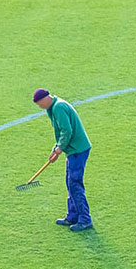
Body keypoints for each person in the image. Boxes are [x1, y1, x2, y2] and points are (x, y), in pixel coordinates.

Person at [32, 88, 93, 232]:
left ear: (45, 99)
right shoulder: (52, 108)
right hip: (73, 150)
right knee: (70, 182)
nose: (40, 107)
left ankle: (85, 219)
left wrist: (59, 150)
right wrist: (56, 148)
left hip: (78, 150)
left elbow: (67, 131)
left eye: (40, 104)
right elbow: (60, 132)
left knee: (75, 184)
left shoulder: (58, 107)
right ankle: (72, 216)